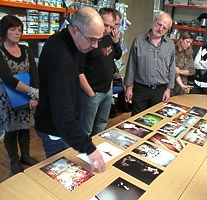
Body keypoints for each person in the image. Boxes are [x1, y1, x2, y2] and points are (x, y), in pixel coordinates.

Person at [34, 7, 106, 172]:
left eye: (98, 40)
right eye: (91, 39)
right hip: (56, 131)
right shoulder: (61, 58)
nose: (95, 45)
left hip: (60, 127)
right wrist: (90, 148)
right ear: (75, 30)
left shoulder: (64, 41)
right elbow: (63, 118)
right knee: (62, 179)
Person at [0, 15, 39, 174]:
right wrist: (32, 91)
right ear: (4, 31)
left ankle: (26, 156)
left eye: (19, 30)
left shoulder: (26, 49)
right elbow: (7, 78)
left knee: (25, 128)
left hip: (27, 96)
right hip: (7, 99)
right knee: (11, 130)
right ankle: (14, 161)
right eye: (12, 29)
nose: (17, 33)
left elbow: (34, 73)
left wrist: (34, 95)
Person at [77, 8, 122, 136]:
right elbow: (78, 70)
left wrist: (110, 85)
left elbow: (113, 58)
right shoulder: (88, 39)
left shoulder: (108, 37)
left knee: (101, 125)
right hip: (92, 93)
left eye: (111, 26)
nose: (107, 29)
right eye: (105, 24)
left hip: (107, 91)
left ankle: (95, 150)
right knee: (86, 129)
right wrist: (90, 93)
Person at [124, 11, 175, 116]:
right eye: (159, 24)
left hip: (160, 90)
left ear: (167, 30)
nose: (160, 29)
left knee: (155, 119)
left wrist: (168, 89)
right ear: (153, 21)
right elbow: (131, 66)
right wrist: (129, 87)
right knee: (136, 120)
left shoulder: (170, 44)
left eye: (164, 28)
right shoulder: (139, 41)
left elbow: (172, 68)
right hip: (140, 89)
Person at [171, 31, 195, 95]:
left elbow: (192, 71)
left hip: (182, 87)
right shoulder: (172, 50)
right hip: (171, 85)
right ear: (181, 39)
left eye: (190, 43)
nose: (188, 45)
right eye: (187, 42)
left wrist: (180, 71)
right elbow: (173, 69)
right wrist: (178, 71)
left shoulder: (188, 54)